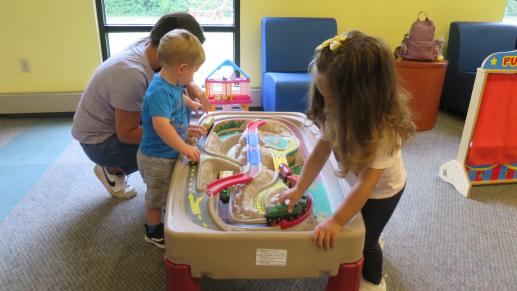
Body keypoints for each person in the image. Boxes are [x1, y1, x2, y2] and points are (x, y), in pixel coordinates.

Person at [278, 31, 415, 290]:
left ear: (364, 97)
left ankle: (374, 282)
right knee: (355, 223)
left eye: (333, 98)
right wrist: (299, 188)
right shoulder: (335, 110)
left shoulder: (384, 131)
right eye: (322, 94)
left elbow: (366, 186)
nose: (326, 105)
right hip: (358, 184)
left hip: (382, 192)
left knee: (366, 241)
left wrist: (336, 221)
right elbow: (320, 151)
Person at [71, 12, 209, 199]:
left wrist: (192, 86)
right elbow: (127, 133)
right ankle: (112, 168)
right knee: (169, 144)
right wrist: (178, 135)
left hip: (121, 121)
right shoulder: (131, 74)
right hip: (100, 142)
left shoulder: (153, 49)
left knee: (178, 96)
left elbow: (172, 76)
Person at [137, 29, 205, 248]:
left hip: (168, 152)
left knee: (169, 189)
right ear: (182, 68)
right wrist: (184, 146)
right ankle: (154, 231)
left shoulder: (172, 81)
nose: (194, 77)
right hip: (157, 158)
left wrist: (190, 103)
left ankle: (165, 218)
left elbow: (178, 96)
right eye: (195, 71)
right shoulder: (158, 91)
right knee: (157, 196)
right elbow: (161, 126)